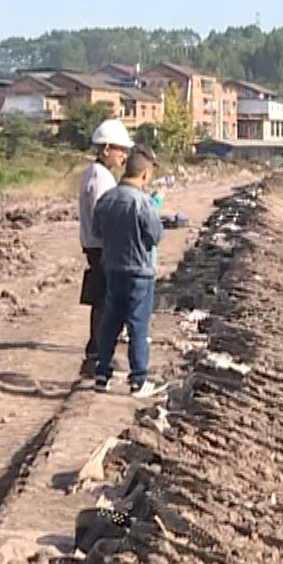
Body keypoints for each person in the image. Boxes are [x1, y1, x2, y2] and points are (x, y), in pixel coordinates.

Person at [91, 148, 165, 397]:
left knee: (110, 324)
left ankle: (102, 373)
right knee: (138, 327)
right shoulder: (143, 203)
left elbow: (97, 232)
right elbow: (155, 235)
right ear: (145, 174)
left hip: (113, 269)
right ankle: (139, 380)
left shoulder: (106, 199)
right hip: (140, 273)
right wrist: (156, 204)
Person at [78, 119, 134, 379]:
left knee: (102, 302)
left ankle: (97, 353)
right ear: (107, 149)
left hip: (95, 246)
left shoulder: (94, 174)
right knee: (106, 304)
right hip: (102, 248)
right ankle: (97, 356)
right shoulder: (101, 178)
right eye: (121, 150)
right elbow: (104, 216)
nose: (124, 156)